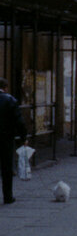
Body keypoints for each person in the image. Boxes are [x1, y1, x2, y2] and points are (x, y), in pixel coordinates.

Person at [0, 77, 28, 205]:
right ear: (5, 88)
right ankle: (8, 196)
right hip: (6, 138)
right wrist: (24, 137)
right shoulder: (10, 100)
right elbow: (19, 121)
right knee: (7, 168)